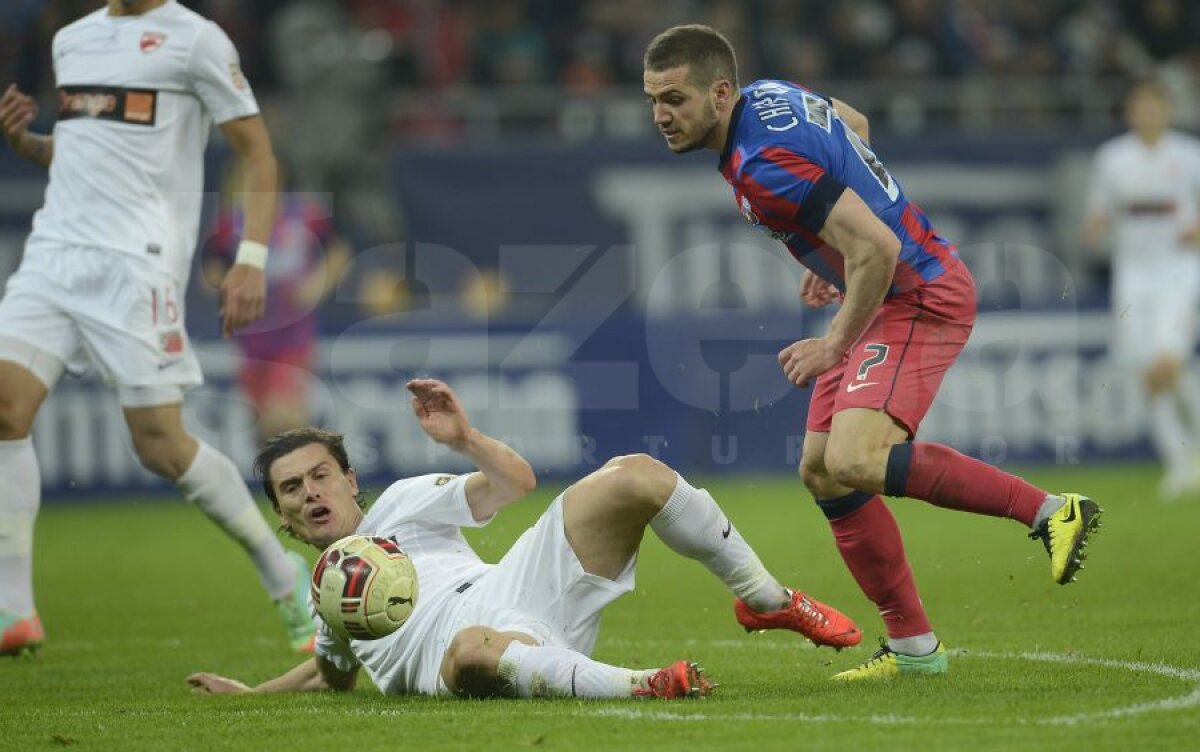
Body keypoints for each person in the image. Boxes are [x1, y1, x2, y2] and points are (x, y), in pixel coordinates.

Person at [642, 24, 1103, 680]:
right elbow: (849, 123)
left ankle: (1053, 512)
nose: (660, 115)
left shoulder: (760, 161)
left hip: (917, 294)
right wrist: (834, 249)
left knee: (856, 457)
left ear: (720, 93)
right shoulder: (769, 95)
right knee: (824, 470)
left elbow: (880, 250)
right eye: (653, 100)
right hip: (886, 289)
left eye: (675, 99)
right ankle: (915, 646)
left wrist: (834, 336)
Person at [186, 378, 861, 699]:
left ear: (349, 481)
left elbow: (514, 483)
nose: (311, 493)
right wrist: (251, 697)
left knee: (636, 475)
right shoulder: (328, 597)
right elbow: (332, 674)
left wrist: (465, 439)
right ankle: (643, 684)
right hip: (456, 658)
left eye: (320, 477)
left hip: (518, 585)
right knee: (477, 650)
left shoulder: (399, 504)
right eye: (293, 489)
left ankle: (765, 597)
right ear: (282, 516)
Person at [0, 0, 317, 657]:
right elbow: (89, 153)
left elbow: (258, 155)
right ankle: (14, 610)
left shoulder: (196, 41)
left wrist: (250, 259)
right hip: (54, 253)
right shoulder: (74, 40)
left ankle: (281, 574)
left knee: (161, 446)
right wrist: (29, 144)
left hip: (136, 266)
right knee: (5, 407)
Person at [1082, 80, 1200, 500]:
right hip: (1132, 274)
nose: (1147, 113)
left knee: (1167, 362)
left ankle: (1189, 457)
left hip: (1178, 272)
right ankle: (1181, 463)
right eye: (1139, 106)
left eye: (1154, 106)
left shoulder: (1189, 155)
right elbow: (1099, 211)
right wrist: (1094, 228)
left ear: (1167, 110)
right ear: (1130, 112)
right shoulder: (1113, 158)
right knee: (1147, 368)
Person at [202, 159, 352, 446]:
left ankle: (312, 468)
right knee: (264, 426)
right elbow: (211, 270)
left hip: (293, 334)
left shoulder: (306, 215)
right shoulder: (231, 223)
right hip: (249, 337)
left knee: (283, 415)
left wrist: (316, 284)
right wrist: (230, 285)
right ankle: (289, 477)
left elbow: (338, 251)